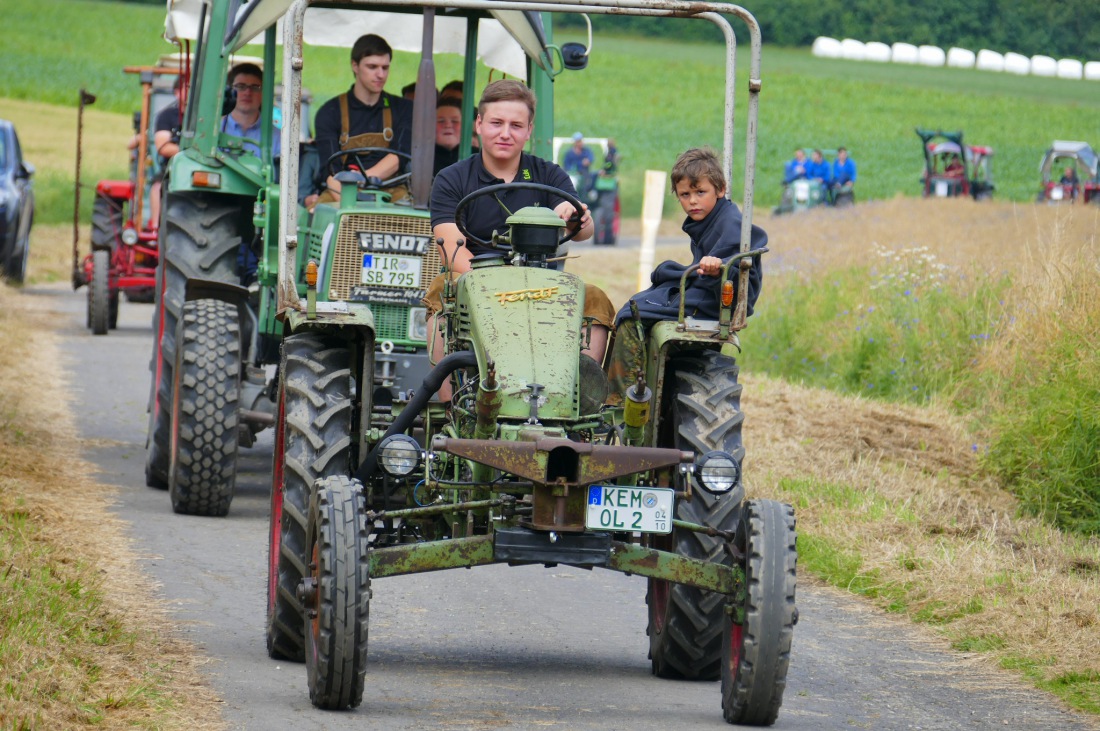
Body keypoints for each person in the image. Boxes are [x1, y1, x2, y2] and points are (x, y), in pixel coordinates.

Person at [427, 79, 615, 382]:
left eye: (516, 125)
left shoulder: (548, 175)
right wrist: (498, 290)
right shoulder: (452, 179)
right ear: (479, 124)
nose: (505, 133)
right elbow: (452, 251)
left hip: (542, 282)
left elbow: (583, 231)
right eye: (496, 123)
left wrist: (576, 215)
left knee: (594, 299)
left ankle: (572, 401)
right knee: (441, 291)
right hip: (477, 281)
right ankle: (446, 406)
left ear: (529, 131)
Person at [607, 148, 766, 399]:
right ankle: (642, 381)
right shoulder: (707, 221)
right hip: (703, 291)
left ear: (720, 189)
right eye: (685, 194)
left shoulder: (731, 223)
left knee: (630, 318)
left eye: (700, 192)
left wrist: (719, 266)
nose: (692, 200)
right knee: (636, 306)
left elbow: (741, 259)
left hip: (713, 302)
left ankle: (618, 401)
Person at [313, 34, 413, 206]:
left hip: (392, 191)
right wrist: (351, 202)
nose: (380, 74)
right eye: (372, 67)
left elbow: (398, 158)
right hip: (341, 190)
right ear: (355, 65)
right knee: (314, 217)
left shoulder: (404, 109)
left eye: (385, 67)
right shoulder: (330, 111)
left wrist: (361, 179)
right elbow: (330, 171)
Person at [220, 63, 281, 159]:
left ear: (264, 93)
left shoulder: (278, 138)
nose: (247, 92)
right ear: (229, 92)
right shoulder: (216, 132)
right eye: (240, 86)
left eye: (255, 87)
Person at [150, 75, 186, 227]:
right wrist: (189, 151)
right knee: (158, 185)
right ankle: (156, 227)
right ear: (177, 92)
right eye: (188, 89)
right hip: (172, 168)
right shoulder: (166, 116)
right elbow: (163, 147)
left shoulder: (207, 117)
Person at [433, 99, 463, 176]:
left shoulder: (479, 156)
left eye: (455, 121)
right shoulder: (422, 159)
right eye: (441, 121)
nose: (448, 125)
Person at [562, 131, 596, 197]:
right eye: (578, 141)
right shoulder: (569, 153)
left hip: (584, 172)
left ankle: (589, 191)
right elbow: (566, 164)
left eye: (580, 141)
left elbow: (590, 158)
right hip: (573, 173)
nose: (580, 143)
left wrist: (588, 161)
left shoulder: (586, 151)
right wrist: (572, 170)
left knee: (591, 178)